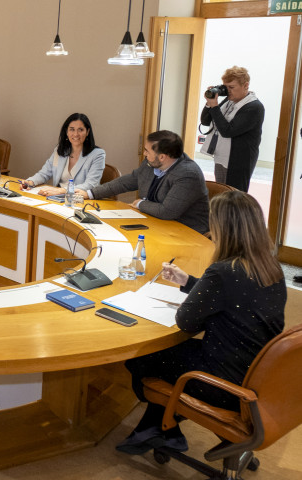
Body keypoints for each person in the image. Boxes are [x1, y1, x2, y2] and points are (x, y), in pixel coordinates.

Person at [115, 190, 285, 455]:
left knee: (141, 355)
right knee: (167, 354)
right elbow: (233, 300)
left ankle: (161, 427)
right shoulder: (270, 267)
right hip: (255, 373)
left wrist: (201, 289)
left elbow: (186, 322)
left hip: (222, 382)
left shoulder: (223, 271)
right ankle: (160, 428)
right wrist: (190, 283)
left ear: (224, 229)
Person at [77, 130, 210, 234]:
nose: (144, 154)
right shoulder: (151, 163)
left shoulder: (187, 175)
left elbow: (167, 212)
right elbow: (127, 181)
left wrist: (140, 203)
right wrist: (90, 193)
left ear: (162, 157)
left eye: (147, 151)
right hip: (155, 223)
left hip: (186, 232)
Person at [200, 66, 264, 192]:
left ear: (245, 85)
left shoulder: (254, 107)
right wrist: (210, 103)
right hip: (221, 157)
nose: (227, 91)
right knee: (221, 194)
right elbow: (205, 121)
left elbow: (227, 131)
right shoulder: (229, 101)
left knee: (234, 197)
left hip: (238, 161)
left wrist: (215, 107)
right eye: (225, 86)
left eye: (231, 87)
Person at [21, 113, 105, 195]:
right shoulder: (60, 150)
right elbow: (44, 173)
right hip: (56, 197)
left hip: (80, 201)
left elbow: (90, 185)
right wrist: (30, 182)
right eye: (72, 129)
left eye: (80, 130)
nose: (76, 134)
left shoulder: (98, 154)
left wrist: (61, 191)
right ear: (66, 132)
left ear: (87, 132)